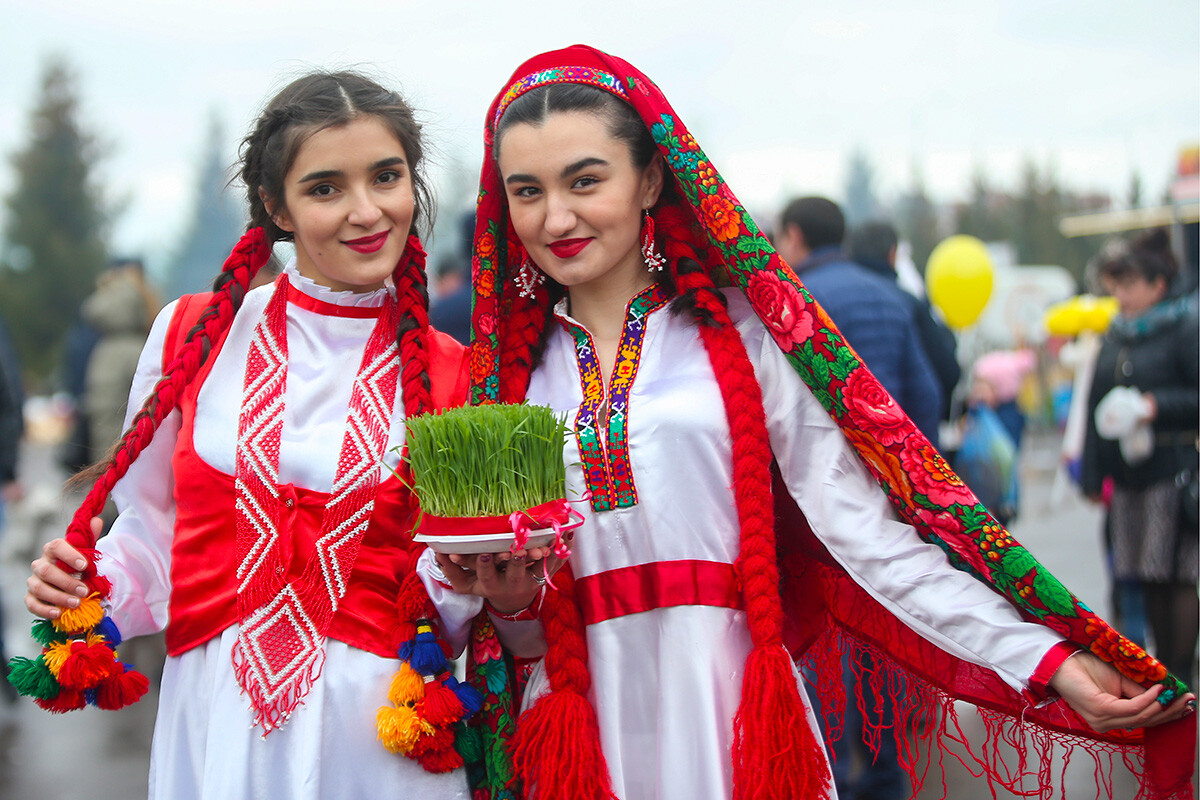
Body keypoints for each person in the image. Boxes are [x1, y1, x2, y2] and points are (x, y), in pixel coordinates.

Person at [433, 46, 1195, 800]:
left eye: (585, 180)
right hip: (577, 735)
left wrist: (1045, 656)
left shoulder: (749, 338)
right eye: (526, 191)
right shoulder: (506, 386)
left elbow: (871, 541)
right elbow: (515, 632)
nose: (555, 216)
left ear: (652, 177)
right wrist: (505, 598)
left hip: (736, 717)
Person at [20, 71, 473, 799]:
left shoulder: (455, 375)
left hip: (377, 737)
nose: (367, 211)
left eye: (386, 177)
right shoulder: (192, 333)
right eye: (325, 188)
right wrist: (89, 586)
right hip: (213, 724)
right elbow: (155, 529)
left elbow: (457, 591)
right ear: (276, 206)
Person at [1082, 228, 1199, 687]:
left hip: (1173, 472)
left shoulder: (1184, 329)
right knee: (1144, 576)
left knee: (1176, 576)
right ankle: (1162, 678)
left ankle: (1180, 674)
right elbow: (1095, 404)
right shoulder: (1114, 336)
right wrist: (1092, 475)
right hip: (1128, 479)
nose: (1121, 296)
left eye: (1129, 285)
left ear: (1157, 285)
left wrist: (1154, 405)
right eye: (1116, 286)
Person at [776, 199, 943, 443]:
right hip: (892, 452)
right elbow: (925, 394)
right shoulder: (889, 294)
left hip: (833, 461)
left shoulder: (796, 302)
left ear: (793, 235)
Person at [847, 219, 961, 418]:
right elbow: (945, 373)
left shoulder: (819, 299)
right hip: (901, 428)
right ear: (893, 254)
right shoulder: (908, 303)